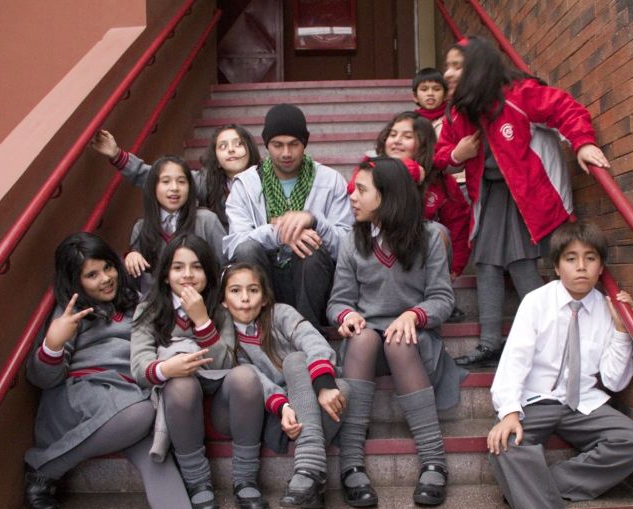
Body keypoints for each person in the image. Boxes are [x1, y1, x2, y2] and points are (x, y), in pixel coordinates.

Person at [24, 232, 246, 509]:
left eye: (107, 268)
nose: (105, 279)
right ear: (75, 282)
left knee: (156, 455)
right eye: (91, 275)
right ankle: (43, 468)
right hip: (82, 397)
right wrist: (54, 341)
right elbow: (42, 378)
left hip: (132, 395)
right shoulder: (71, 314)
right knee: (142, 416)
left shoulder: (141, 303)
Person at [486, 221, 633, 509]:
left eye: (590, 259)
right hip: (538, 399)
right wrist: (509, 411)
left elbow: (613, 381)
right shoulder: (537, 302)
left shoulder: (607, 310)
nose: (581, 267)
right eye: (571, 259)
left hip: (583, 402)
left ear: (600, 267)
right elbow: (514, 360)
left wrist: (623, 330)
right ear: (557, 266)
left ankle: (529, 487)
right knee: (506, 447)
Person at [434, 36, 611, 367]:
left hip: (526, 195)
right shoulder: (459, 111)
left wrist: (582, 142)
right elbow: (441, 154)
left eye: (457, 66)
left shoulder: (518, 94)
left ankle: (548, 340)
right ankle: (489, 343)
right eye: (448, 66)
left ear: (478, 66)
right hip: (490, 195)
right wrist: (457, 154)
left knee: (520, 263)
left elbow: (564, 108)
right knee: (486, 263)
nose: (448, 73)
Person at [328, 158, 467, 508]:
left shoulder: (430, 238)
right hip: (367, 348)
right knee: (364, 338)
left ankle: (434, 459)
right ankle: (351, 462)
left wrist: (414, 314)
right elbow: (337, 302)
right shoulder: (351, 241)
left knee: (399, 341)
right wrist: (346, 317)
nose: (352, 197)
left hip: (415, 344)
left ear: (387, 196)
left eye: (361, 190)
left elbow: (442, 298)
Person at [131, 234, 270, 509]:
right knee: (182, 384)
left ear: (208, 272)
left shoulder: (219, 311)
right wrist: (166, 369)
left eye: (196, 267)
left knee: (245, 376)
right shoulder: (150, 309)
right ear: (166, 274)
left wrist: (201, 320)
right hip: (178, 406)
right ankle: (198, 483)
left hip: (219, 402)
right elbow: (139, 366)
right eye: (178, 267)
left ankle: (245, 478)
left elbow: (226, 362)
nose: (188, 275)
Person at [220, 262, 348, 509]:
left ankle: (308, 470)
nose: (245, 298)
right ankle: (312, 470)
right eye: (235, 291)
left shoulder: (281, 314)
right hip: (279, 419)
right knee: (296, 360)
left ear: (265, 297)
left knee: (329, 379)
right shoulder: (228, 339)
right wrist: (284, 407)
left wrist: (323, 384)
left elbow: (310, 338)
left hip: (313, 398)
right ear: (223, 300)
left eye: (253, 290)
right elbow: (257, 379)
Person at [223, 103, 354, 326]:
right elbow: (234, 246)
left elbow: (348, 247)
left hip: (312, 280)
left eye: (294, 144)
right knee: (247, 249)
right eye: (277, 145)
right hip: (265, 278)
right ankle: (260, 329)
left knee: (311, 249)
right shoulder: (246, 184)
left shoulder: (329, 180)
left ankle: (308, 332)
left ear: (305, 143)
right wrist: (281, 232)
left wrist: (314, 221)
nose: (286, 153)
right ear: (266, 145)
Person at [91, 124, 261, 228]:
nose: (231, 149)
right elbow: (158, 177)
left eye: (238, 144)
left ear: (250, 149)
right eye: (223, 146)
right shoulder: (205, 182)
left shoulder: (267, 179)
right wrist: (117, 155)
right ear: (216, 159)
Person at [375, 111, 472, 280]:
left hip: (419, 256)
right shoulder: (371, 168)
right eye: (393, 134)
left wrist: (456, 266)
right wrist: (410, 170)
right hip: (379, 251)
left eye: (407, 136)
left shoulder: (439, 180)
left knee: (435, 231)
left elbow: (458, 222)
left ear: (423, 144)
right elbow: (354, 189)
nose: (397, 140)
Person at [121, 156, 227, 284]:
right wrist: (131, 256)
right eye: (166, 182)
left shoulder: (207, 220)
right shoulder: (142, 227)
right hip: (159, 300)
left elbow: (225, 265)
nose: (174, 188)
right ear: (153, 187)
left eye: (181, 182)